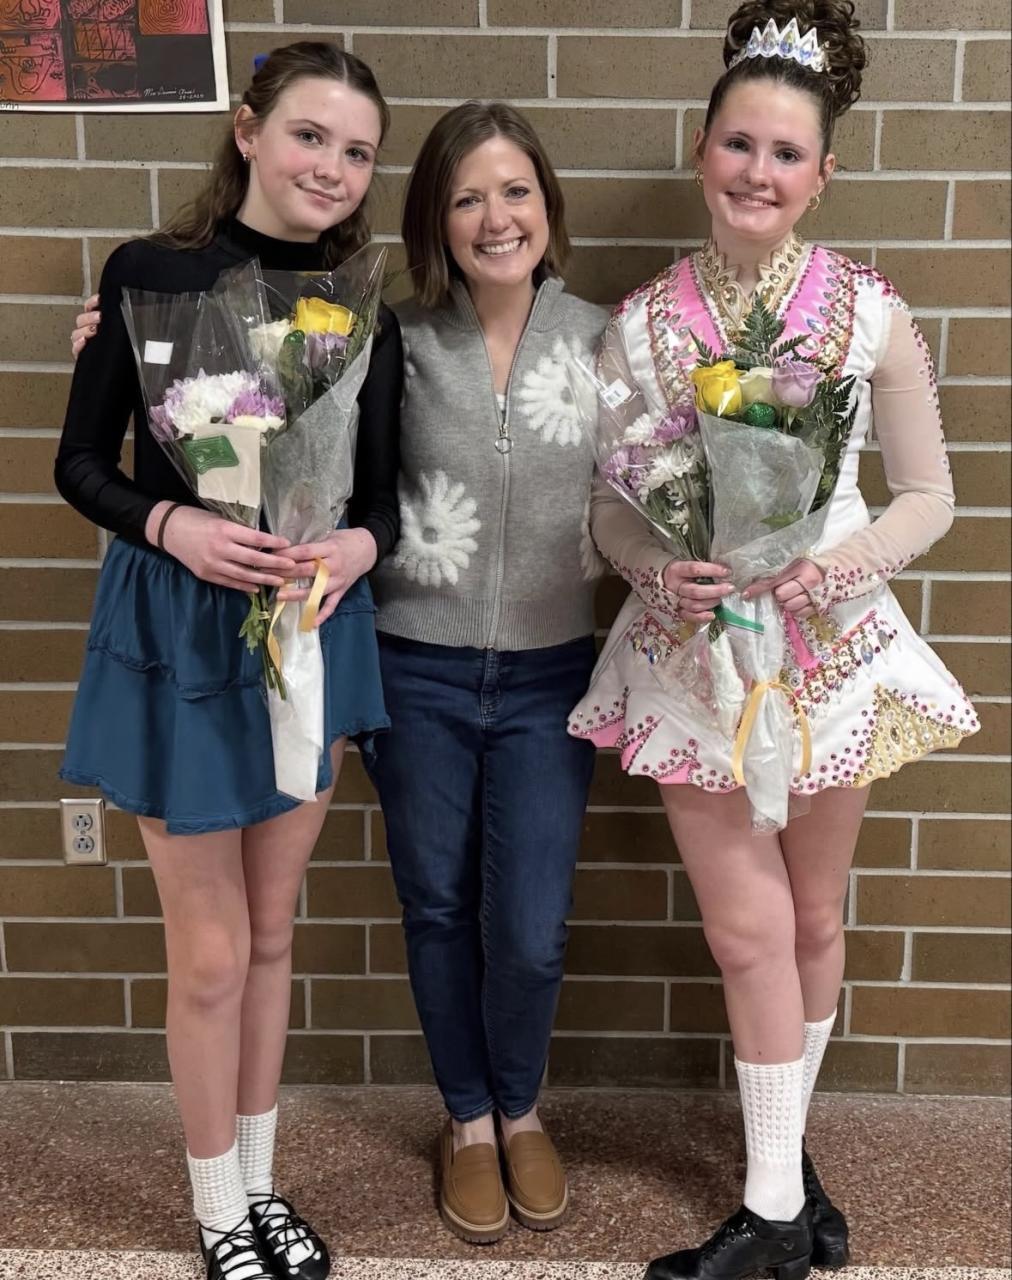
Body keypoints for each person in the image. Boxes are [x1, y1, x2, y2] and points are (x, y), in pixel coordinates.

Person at [567, 4, 979, 1278]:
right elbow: (607, 510)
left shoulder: (869, 313)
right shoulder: (639, 324)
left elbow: (929, 495)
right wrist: (658, 566)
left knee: (808, 917)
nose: (757, 171)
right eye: (737, 144)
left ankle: (780, 1176)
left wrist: (836, 563)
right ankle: (776, 1212)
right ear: (700, 151)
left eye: (785, 153)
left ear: (823, 171)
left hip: (827, 648)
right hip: (697, 657)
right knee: (744, 932)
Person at [56, 43, 401, 1280]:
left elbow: (386, 499)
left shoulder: (364, 305)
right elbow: (79, 461)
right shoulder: (148, 276)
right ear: (248, 130)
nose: (332, 167)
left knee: (268, 933)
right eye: (310, 135)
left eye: (357, 151)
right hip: (178, 630)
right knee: (207, 949)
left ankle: (260, 1184)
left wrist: (355, 545)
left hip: (309, 628)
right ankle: (217, 1211)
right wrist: (172, 522)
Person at [364, 102, 608, 1244]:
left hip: (555, 675)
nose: (494, 217)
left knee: (530, 925)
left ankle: (521, 1107)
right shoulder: (394, 340)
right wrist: (117, 338)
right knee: (437, 903)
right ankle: (466, 1120)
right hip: (414, 668)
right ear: (436, 218)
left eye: (515, 191)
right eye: (466, 197)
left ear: (547, 205)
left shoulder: (607, 340)